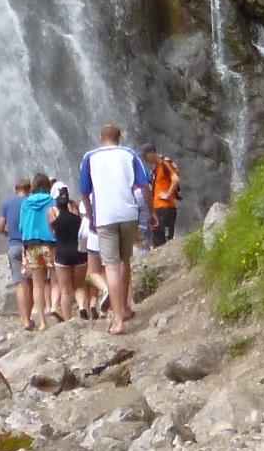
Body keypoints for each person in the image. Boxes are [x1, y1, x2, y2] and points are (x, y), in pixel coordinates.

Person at [78, 123, 150, 334]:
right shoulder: (129, 154)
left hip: (105, 218)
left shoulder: (89, 158)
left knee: (110, 266)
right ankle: (126, 307)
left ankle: (118, 320)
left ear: (101, 138)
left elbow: (84, 193)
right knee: (125, 260)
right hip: (129, 214)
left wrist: (91, 217)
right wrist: (151, 212)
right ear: (119, 137)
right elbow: (144, 186)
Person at [18, 171, 56, 330]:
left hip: (31, 244)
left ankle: (42, 321)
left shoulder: (26, 203)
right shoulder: (51, 200)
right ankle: (54, 307)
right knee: (55, 280)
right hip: (49, 244)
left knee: (37, 284)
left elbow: (21, 227)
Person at [0, 176, 34, 329]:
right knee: (32, 283)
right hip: (30, 246)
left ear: (15, 189)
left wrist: (8, 235)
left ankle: (25, 320)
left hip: (14, 246)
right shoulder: (31, 202)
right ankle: (31, 316)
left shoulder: (6, 203)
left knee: (20, 284)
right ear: (29, 189)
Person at [48, 182, 85, 322]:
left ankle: (68, 319)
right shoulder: (75, 210)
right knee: (80, 285)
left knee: (65, 290)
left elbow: (52, 232)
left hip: (62, 253)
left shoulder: (52, 212)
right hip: (79, 252)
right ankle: (82, 308)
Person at [144, 145, 181, 244]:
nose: (145, 159)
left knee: (164, 238)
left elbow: (175, 179)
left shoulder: (165, 163)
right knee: (157, 238)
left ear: (152, 152)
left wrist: (168, 194)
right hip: (157, 208)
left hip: (165, 207)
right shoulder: (155, 168)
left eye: (145, 156)